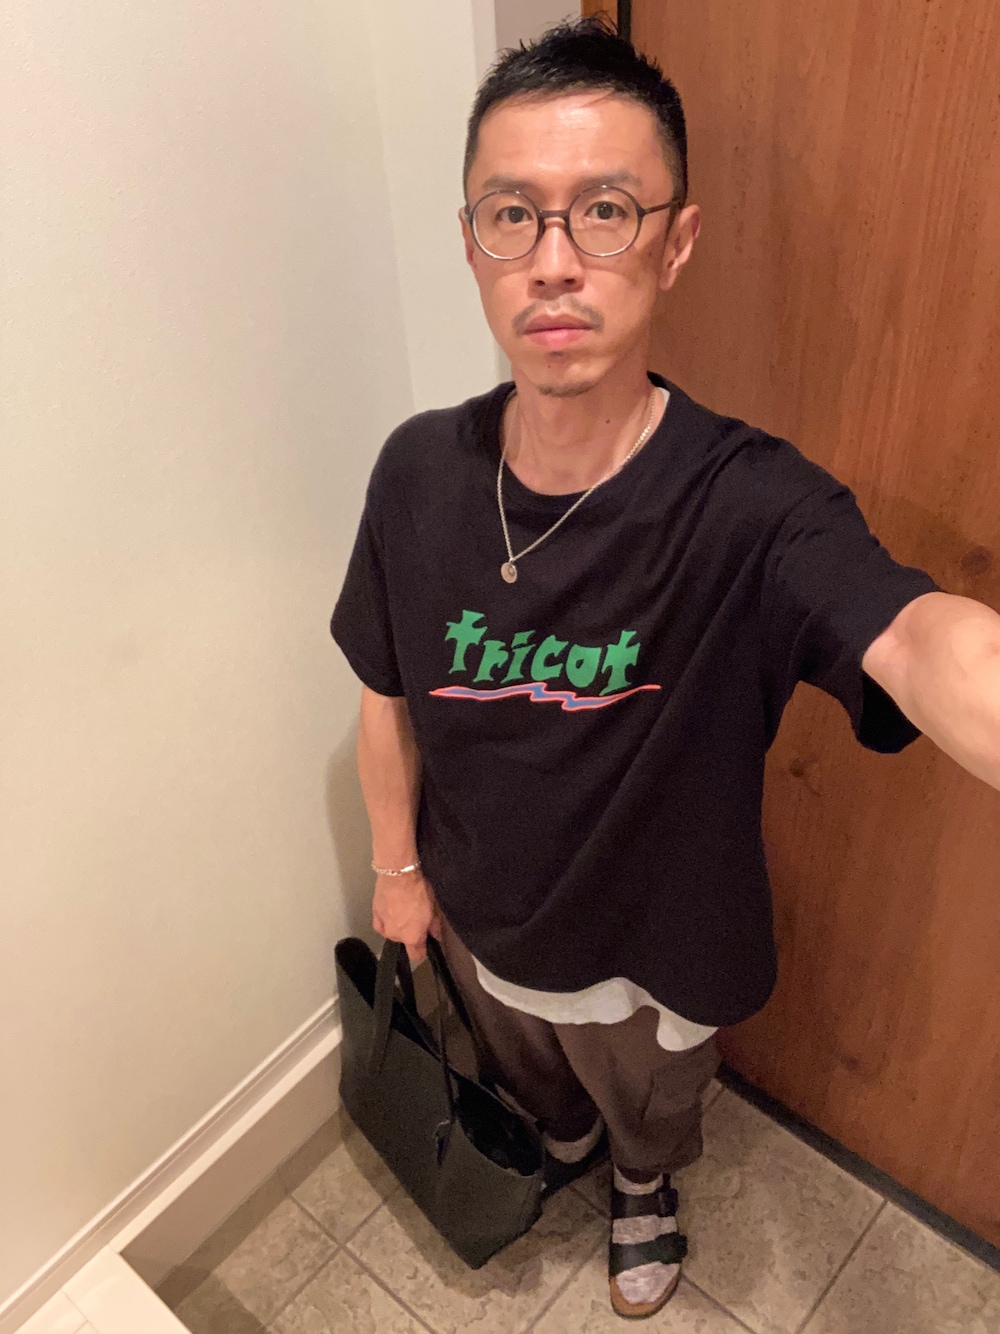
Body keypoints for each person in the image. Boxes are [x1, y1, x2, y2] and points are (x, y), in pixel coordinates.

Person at [331, 17, 1000, 1320]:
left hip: (659, 950)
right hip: (485, 917)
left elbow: (923, 639)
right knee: (541, 1080)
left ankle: (641, 1185)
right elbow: (384, 689)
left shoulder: (753, 505)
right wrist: (398, 871)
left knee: (650, 1106)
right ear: (471, 243)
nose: (555, 262)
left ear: (676, 242)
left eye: (606, 211)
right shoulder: (415, 473)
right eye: (513, 216)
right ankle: (569, 1139)